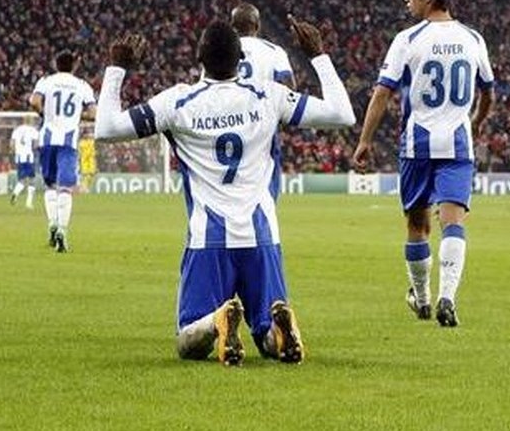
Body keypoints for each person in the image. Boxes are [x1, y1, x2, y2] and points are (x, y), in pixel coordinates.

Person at [94, 18, 355, 366]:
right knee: (265, 337)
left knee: (188, 341)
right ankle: (278, 330)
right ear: (241, 56)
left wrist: (117, 68)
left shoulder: (178, 102)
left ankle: (218, 321)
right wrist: (318, 54)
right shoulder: (268, 95)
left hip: (209, 240)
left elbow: (106, 129)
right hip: (262, 238)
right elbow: (343, 115)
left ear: (199, 56)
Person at [353, 0, 494, 327]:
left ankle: (424, 297)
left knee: (417, 226)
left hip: (418, 146)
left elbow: (382, 92)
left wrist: (365, 140)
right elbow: (488, 92)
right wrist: (475, 122)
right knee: (453, 222)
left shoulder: (408, 40)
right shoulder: (473, 38)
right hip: (458, 147)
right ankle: (448, 295)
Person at [29, 51, 96, 252]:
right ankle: (62, 230)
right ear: (74, 65)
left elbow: (33, 101)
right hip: (68, 142)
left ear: (55, 64)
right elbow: (93, 113)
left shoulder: (46, 81)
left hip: (47, 139)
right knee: (66, 188)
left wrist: (44, 112)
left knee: (50, 186)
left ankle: (52, 223)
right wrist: (78, 115)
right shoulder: (82, 85)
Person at [231, 2, 296, 87]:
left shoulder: (220, 52)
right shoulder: (274, 51)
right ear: (258, 26)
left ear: (233, 26)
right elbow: (289, 85)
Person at [9, 117, 39, 208]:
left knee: (21, 180)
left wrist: (16, 152)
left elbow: (12, 145)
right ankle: (29, 203)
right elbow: (35, 145)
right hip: (29, 157)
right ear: (31, 121)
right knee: (32, 180)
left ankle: (15, 193)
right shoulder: (33, 130)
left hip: (19, 157)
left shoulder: (17, 130)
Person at [78, 127, 97, 193]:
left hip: (91, 160)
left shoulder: (90, 141)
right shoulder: (82, 143)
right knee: (86, 174)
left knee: (91, 174)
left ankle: (85, 187)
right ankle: (84, 187)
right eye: (87, 134)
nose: (88, 135)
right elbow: (82, 152)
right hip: (85, 161)